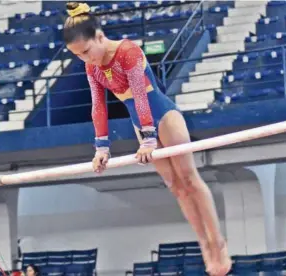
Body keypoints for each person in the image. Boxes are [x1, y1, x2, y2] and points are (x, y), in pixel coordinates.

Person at [63, 2, 231, 275]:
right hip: (141, 125)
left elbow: (140, 95)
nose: (86, 59)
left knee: (189, 179)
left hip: (163, 117)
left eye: (86, 51)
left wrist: (150, 139)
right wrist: (101, 147)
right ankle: (203, 244)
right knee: (176, 187)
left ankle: (218, 242)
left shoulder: (128, 51)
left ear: (100, 36)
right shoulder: (92, 68)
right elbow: (99, 107)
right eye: (78, 56)